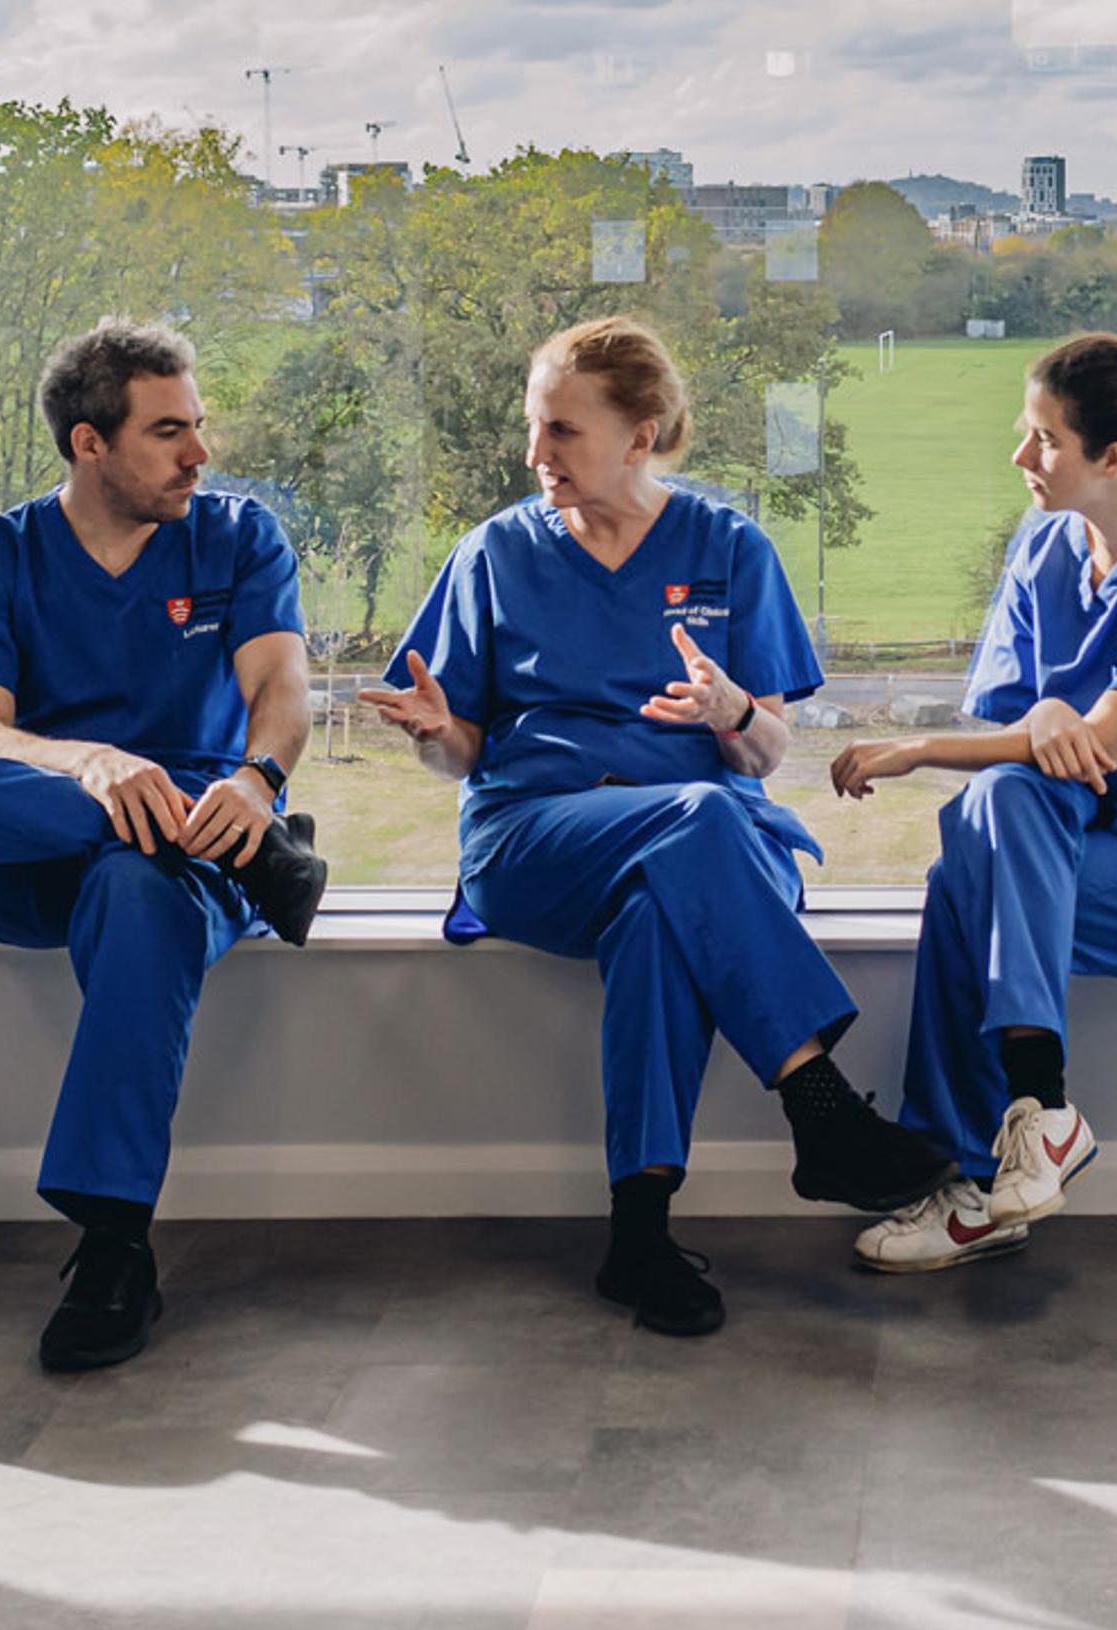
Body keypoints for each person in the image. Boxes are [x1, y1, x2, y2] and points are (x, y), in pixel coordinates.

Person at [362, 316, 956, 1337]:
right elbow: (461, 752)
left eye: (559, 433)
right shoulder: (495, 554)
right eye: (531, 430)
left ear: (638, 436)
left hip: (702, 850)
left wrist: (730, 710)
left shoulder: (730, 548)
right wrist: (435, 735)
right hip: (532, 837)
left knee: (660, 908)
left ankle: (636, 1236)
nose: (532, 457)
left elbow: (767, 753)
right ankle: (818, 1104)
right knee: (697, 822)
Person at [0, 317, 324, 1372]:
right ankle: (247, 859)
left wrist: (254, 782)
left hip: (190, 844)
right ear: (88, 443)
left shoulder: (238, 537)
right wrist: (91, 766)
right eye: (168, 432)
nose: (198, 453)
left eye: (197, 426)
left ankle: (112, 1246)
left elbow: (280, 687)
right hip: (39, 846)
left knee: (138, 887)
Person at [833, 333, 1117, 1272]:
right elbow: (1011, 730)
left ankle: (965, 1185)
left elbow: (1100, 746)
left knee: (973, 870)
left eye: (1042, 440)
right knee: (994, 813)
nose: (1020, 458)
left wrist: (919, 747)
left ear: (1110, 460)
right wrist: (1040, 712)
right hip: (1071, 842)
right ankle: (1041, 1119)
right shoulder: (1043, 549)